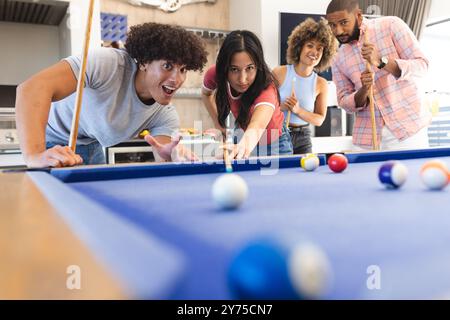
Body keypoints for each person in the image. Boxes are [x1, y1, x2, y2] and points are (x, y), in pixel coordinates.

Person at [16, 22, 208, 168]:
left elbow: (163, 153)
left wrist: (170, 155)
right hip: (50, 141)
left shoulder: (164, 113)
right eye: (167, 66)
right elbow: (31, 89)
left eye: (183, 69)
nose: (177, 79)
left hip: (91, 146)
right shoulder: (108, 64)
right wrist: (35, 154)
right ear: (144, 62)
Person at [326, 0, 431, 151]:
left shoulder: (391, 25)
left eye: (344, 22)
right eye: (332, 25)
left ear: (359, 16)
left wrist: (382, 62)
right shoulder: (337, 58)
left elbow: (422, 66)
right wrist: (363, 90)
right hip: (367, 139)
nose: (338, 31)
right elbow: (344, 101)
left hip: (408, 131)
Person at [201, 30, 293, 159]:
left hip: (275, 145)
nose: (242, 79)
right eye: (234, 69)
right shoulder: (215, 74)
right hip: (242, 136)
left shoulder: (267, 89)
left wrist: (243, 146)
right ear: (224, 67)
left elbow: (257, 124)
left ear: (258, 66)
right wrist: (218, 124)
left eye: (249, 68)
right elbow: (206, 94)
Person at [273, 18, 338, 154]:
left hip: (303, 138)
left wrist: (298, 110)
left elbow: (319, 119)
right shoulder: (279, 72)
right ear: (299, 46)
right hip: (278, 133)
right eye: (310, 45)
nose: (315, 52)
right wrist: (281, 107)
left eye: (320, 48)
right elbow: (263, 106)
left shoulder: (321, 84)